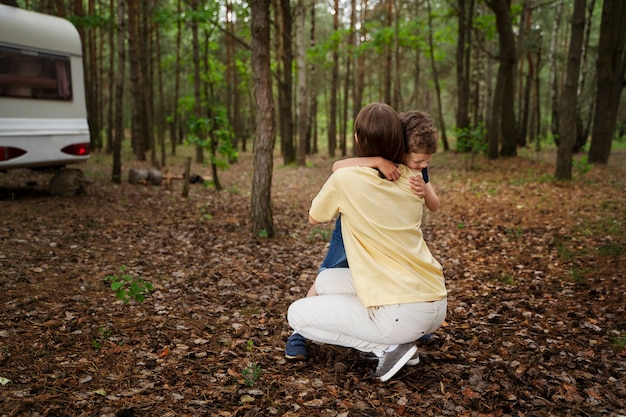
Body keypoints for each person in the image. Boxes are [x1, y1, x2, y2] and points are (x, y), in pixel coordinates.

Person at [285, 103, 447, 382]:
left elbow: (314, 216)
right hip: (435, 297)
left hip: (405, 309)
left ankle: (389, 345)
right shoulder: (412, 177)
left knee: (296, 313)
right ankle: (402, 334)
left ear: (358, 140)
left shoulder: (348, 177)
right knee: (327, 280)